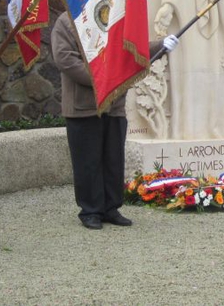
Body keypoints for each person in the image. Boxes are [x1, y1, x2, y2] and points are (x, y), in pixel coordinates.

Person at [51, 12, 179, 230]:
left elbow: (130, 49)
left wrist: (161, 46)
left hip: (115, 103)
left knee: (113, 159)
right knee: (88, 162)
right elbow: (65, 59)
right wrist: (102, 80)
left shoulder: (113, 14)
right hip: (84, 106)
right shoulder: (67, 20)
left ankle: (111, 207)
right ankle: (91, 210)